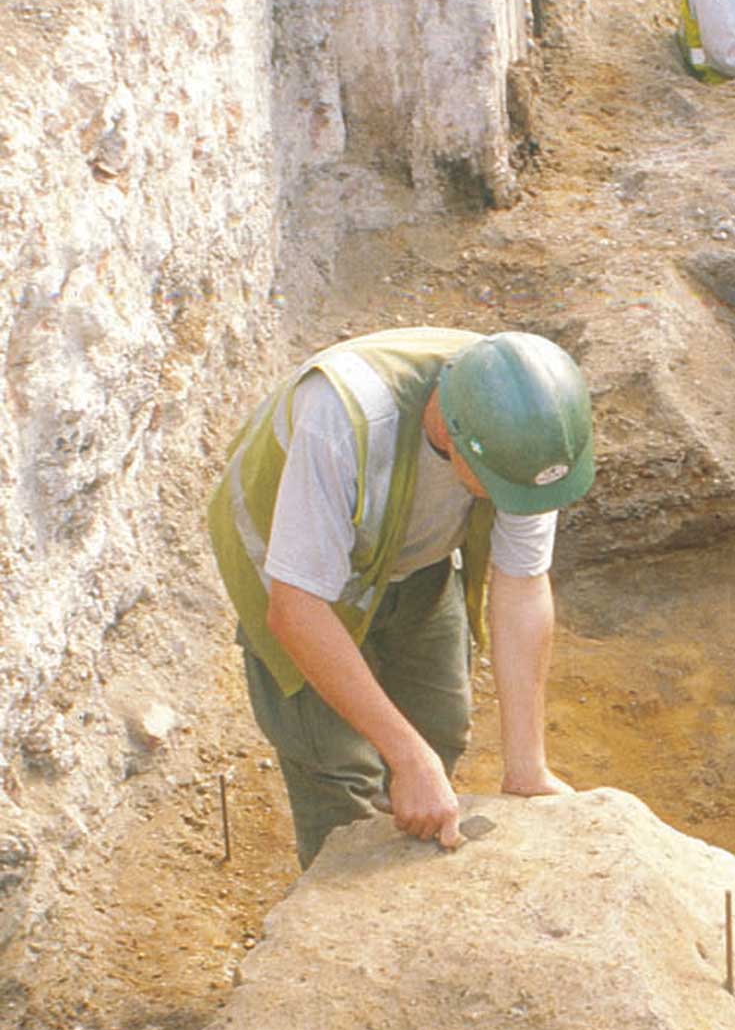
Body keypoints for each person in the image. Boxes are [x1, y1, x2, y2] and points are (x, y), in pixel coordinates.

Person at [207, 326, 594, 867]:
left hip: (413, 560)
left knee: (440, 723)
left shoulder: (524, 424)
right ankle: (339, 924)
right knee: (339, 769)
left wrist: (526, 768)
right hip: (297, 572)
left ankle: (412, 835)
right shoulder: (340, 419)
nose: (520, 504)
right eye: (504, 490)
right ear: (453, 436)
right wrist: (406, 756)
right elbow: (296, 609)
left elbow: (523, 585)